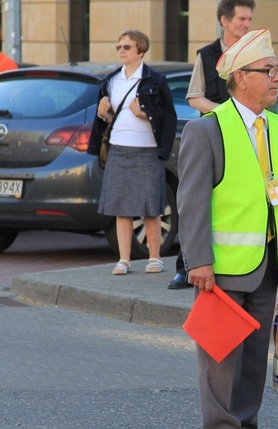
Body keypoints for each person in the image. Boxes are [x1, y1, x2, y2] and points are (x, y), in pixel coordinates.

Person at [177, 28, 278, 429]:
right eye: (268, 71)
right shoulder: (207, 130)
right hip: (223, 268)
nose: (275, 78)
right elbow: (192, 201)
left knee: (253, 359)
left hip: (270, 264)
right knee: (220, 359)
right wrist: (199, 261)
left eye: (276, 70)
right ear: (240, 78)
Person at [169, 0, 256, 290]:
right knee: (195, 201)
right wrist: (226, 113)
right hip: (213, 136)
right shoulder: (206, 55)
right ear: (224, 20)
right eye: (242, 19)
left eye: (249, 19)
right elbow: (194, 97)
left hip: (248, 138)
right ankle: (186, 267)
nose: (246, 24)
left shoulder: (255, 54)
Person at [87, 29, 177, 276]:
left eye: (126, 47)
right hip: (118, 148)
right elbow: (108, 119)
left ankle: (155, 258)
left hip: (147, 150)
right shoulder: (111, 81)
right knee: (121, 206)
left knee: (151, 207)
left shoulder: (155, 81)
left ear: (140, 51)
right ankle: (124, 260)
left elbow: (169, 117)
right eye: (119, 47)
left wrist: (143, 114)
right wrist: (102, 113)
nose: (121, 51)